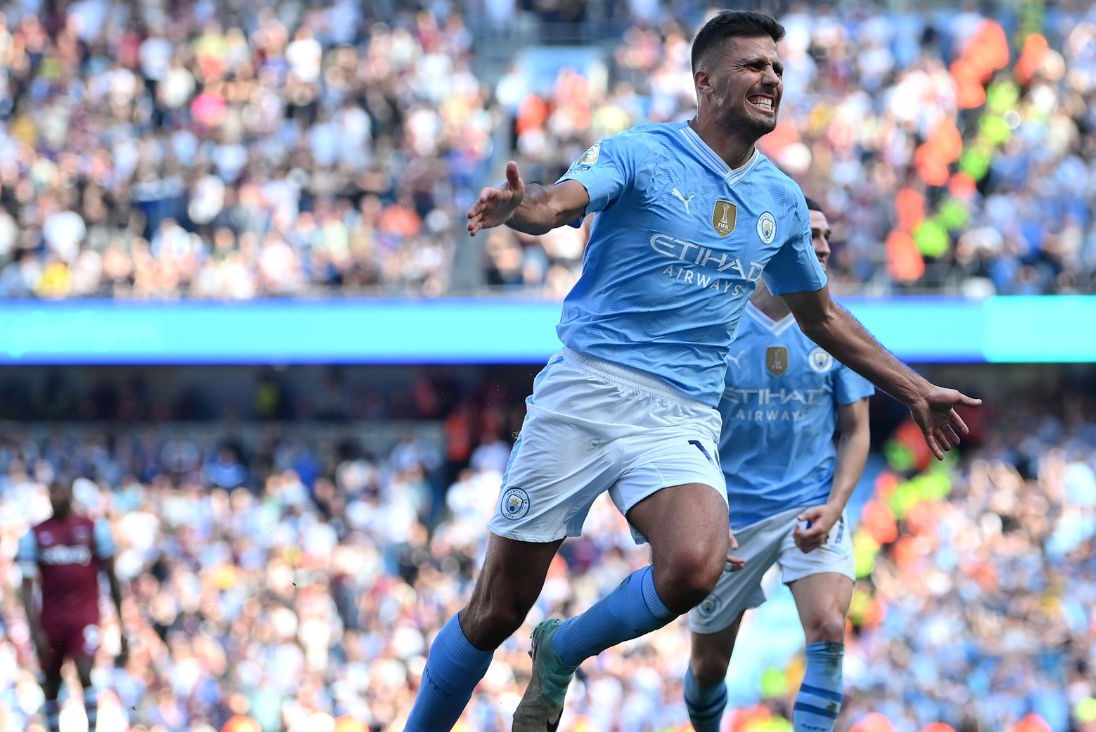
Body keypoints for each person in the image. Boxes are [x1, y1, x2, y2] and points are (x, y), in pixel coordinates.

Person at [406, 11, 979, 730]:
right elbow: (558, 203)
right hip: (586, 389)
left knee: (693, 567)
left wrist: (918, 390)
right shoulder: (642, 152)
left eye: (776, 67)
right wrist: (524, 207)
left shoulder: (780, 200)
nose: (771, 77)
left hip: (680, 412)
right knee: (494, 612)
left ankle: (561, 652)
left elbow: (824, 319)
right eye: (753, 66)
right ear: (705, 82)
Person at [685, 197, 869, 732]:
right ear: (776, 243)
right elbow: (686, 429)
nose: (824, 245)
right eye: (811, 234)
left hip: (809, 507)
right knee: (708, 666)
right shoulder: (718, 324)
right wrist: (703, 515)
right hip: (731, 518)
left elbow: (856, 430)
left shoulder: (837, 328)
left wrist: (836, 506)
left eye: (827, 235)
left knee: (830, 627)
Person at [17, 478, 128, 732]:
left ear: (71, 494)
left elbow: (112, 577)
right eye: (52, 492)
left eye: (61, 491)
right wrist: (34, 630)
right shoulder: (35, 534)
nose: (57, 497)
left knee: (85, 671)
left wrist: (122, 626)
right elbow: (26, 587)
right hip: (51, 619)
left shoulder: (93, 528)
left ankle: (92, 728)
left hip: (85, 616)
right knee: (51, 680)